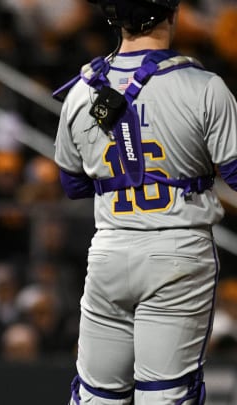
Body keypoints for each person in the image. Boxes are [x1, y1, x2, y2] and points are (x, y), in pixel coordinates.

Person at [53, 0, 237, 404]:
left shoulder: (83, 90)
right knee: (165, 394)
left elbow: (72, 184)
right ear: (172, 13)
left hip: (110, 250)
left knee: (96, 396)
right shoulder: (204, 85)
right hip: (178, 250)